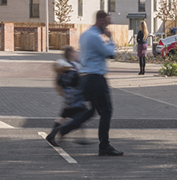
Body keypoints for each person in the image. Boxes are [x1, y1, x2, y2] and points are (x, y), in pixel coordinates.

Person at [46, 11, 123, 156]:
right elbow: (110, 53)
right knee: (106, 111)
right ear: (101, 22)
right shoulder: (95, 37)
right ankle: (104, 145)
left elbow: (82, 58)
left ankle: (64, 129)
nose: (107, 27)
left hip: (85, 78)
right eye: (106, 23)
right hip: (96, 78)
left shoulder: (85, 35)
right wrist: (111, 38)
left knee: (90, 111)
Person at [53, 46, 86, 127]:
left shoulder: (63, 65)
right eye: (74, 52)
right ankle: (64, 130)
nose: (76, 53)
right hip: (74, 96)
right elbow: (77, 80)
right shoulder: (72, 67)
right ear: (70, 53)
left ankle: (52, 135)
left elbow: (59, 81)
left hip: (67, 95)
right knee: (84, 113)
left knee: (63, 115)